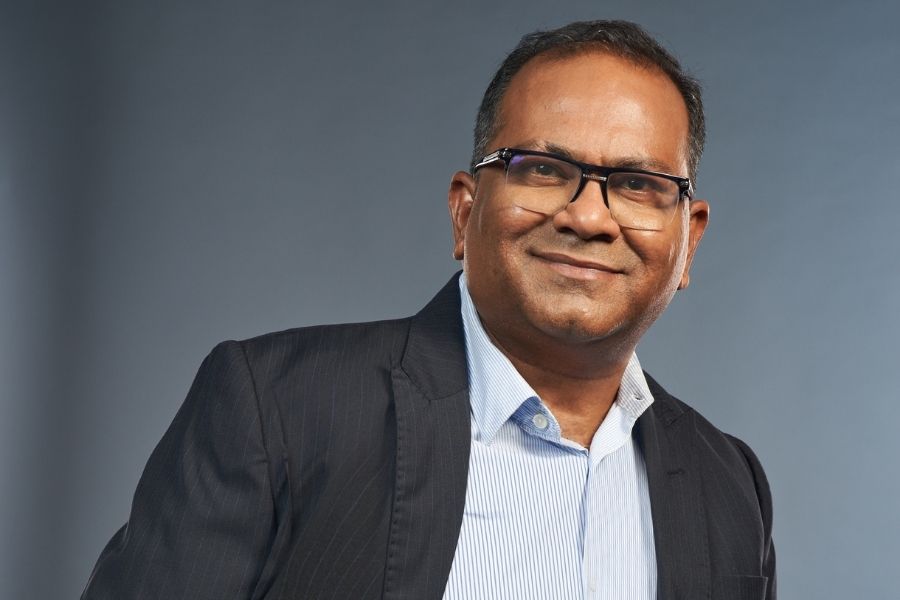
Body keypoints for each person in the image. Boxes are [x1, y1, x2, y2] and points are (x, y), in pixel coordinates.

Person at [82, 19, 775, 600]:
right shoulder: (277, 409)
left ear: (689, 241)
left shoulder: (730, 484)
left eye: (638, 184)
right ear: (465, 211)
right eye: (542, 169)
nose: (589, 217)